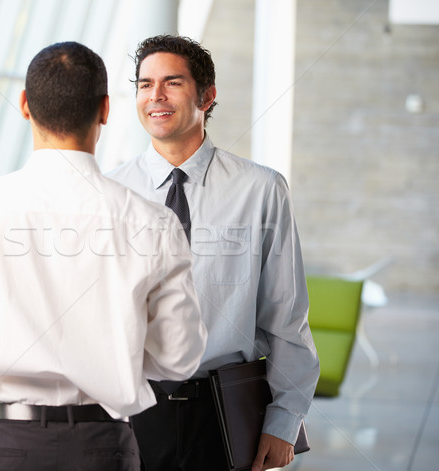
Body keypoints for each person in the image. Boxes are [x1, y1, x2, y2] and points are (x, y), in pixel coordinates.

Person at [0, 41, 207, 471]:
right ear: (105, 109)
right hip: (104, 446)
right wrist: (113, 352)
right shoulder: (153, 223)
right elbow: (179, 357)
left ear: (25, 105)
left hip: (2, 442)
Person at [107, 35, 319, 471]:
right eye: (145, 85)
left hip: (223, 414)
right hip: (128, 412)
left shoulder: (260, 189)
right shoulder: (111, 192)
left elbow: (286, 316)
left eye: (172, 83)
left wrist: (283, 420)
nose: (156, 97)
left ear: (207, 95)